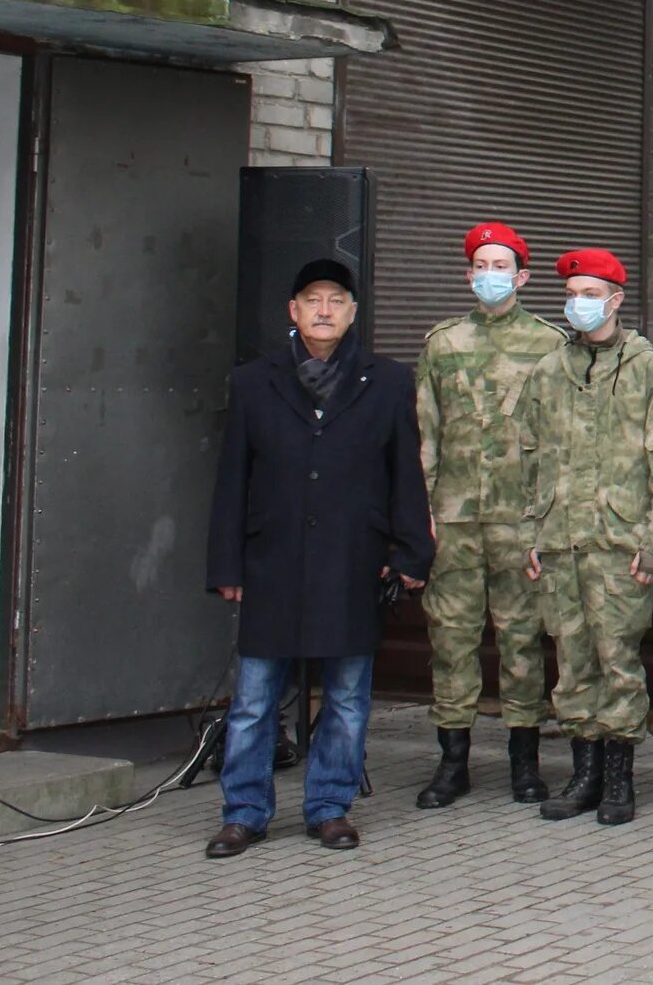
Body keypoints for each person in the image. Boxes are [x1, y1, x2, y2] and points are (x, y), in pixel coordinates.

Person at [204, 260, 432, 858]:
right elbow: (232, 479)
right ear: (294, 311)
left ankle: (330, 807)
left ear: (353, 312)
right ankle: (244, 812)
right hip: (271, 559)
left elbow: (404, 473)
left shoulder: (386, 381)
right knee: (254, 700)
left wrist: (411, 553)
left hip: (353, 558)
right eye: (312, 300)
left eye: (336, 300)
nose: (324, 310)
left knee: (349, 695)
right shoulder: (254, 382)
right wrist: (226, 566)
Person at [519, 248, 653, 826]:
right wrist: (530, 534)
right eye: (573, 294)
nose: (579, 304)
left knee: (618, 659)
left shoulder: (647, 371)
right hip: (560, 539)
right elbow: (526, 456)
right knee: (572, 662)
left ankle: (619, 779)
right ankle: (583, 772)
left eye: (591, 294)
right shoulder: (549, 370)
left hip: (620, 546)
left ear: (615, 301)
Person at [411, 221, 565, 811]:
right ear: (468, 273)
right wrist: (419, 512)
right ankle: (453, 764)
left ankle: (524, 764)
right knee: (450, 639)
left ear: (522, 276)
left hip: (520, 522)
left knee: (522, 639)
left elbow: (558, 441)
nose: (490, 275)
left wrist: (546, 520)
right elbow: (426, 434)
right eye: (482, 264)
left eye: (502, 266)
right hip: (452, 521)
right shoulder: (443, 343)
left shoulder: (550, 344)